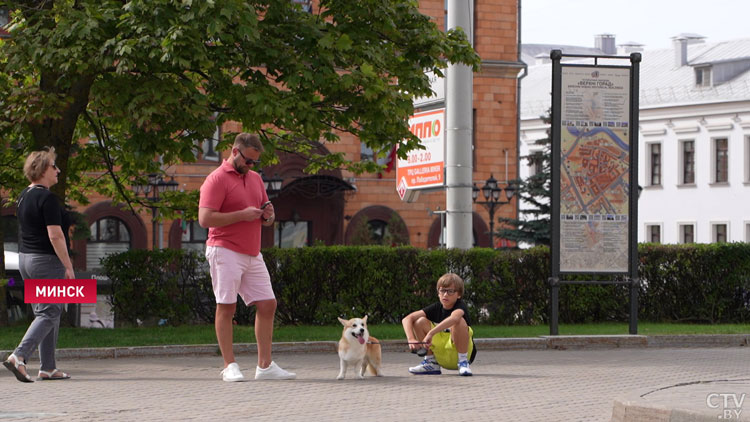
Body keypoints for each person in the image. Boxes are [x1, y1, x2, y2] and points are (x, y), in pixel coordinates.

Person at [198, 132, 296, 382]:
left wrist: (268, 215)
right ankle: (229, 365)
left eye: (255, 162)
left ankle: (265, 366)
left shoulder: (255, 179)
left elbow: (265, 218)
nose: (251, 166)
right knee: (227, 306)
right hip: (224, 248)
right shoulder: (216, 179)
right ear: (234, 152)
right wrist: (241, 215)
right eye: (248, 161)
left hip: (252, 252)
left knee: (267, 304)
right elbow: (205, 218)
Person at [3, 147, 74, 382]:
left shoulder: (24, 196)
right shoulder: (48, 198)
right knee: (50, 311)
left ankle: (48, 367)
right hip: (46, 261)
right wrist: (68, 265)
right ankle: (18, 356)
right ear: (44, 169)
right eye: (54, 166)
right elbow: (55, 235)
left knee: (44, 312)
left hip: (26, 260)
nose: (58, 170)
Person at [402, 273, 476, 376]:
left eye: (450, 291)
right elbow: (407, 319)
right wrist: (411, 339)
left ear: (458, 294)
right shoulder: (436, 307)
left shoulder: (460, 306)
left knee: (459, 321)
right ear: (438, 293)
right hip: (442, 355)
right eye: (442, 291)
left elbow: (454, 318)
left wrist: (431, 333)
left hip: (459, 354)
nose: (445, 295)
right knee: (419, 321)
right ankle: (431, 362)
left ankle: (463, 363)